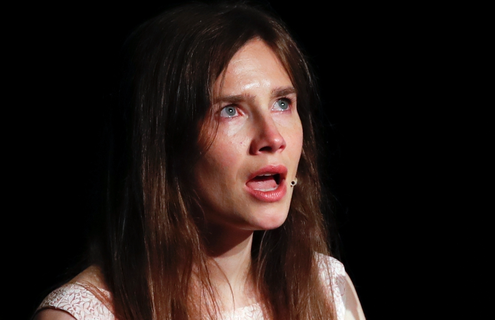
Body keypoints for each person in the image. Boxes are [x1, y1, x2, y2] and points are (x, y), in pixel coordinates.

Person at [33, 1, 365, 319]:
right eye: (230, 110)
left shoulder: (326, 289)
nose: (273, 138)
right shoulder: (86, 314)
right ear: (165, 141)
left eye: (282, 103)